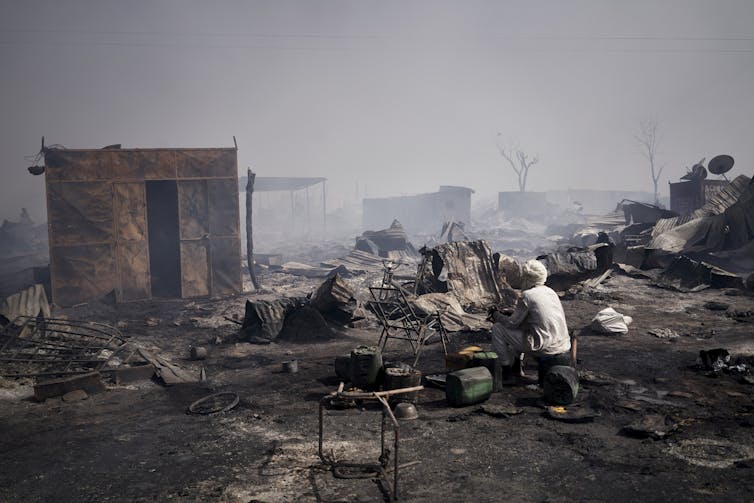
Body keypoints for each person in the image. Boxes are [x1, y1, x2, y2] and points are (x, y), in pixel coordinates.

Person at [489, 259, 571, 383]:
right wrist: (511, 314)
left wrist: (496, 315)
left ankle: (506, 371)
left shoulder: (527, 295)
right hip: (562, 344)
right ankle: (517, 367)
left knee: (498, 329)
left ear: (526, 278)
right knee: (523, 329)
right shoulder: (550, 292)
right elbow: (536, 317)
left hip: (545, 348)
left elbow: (512, 323)